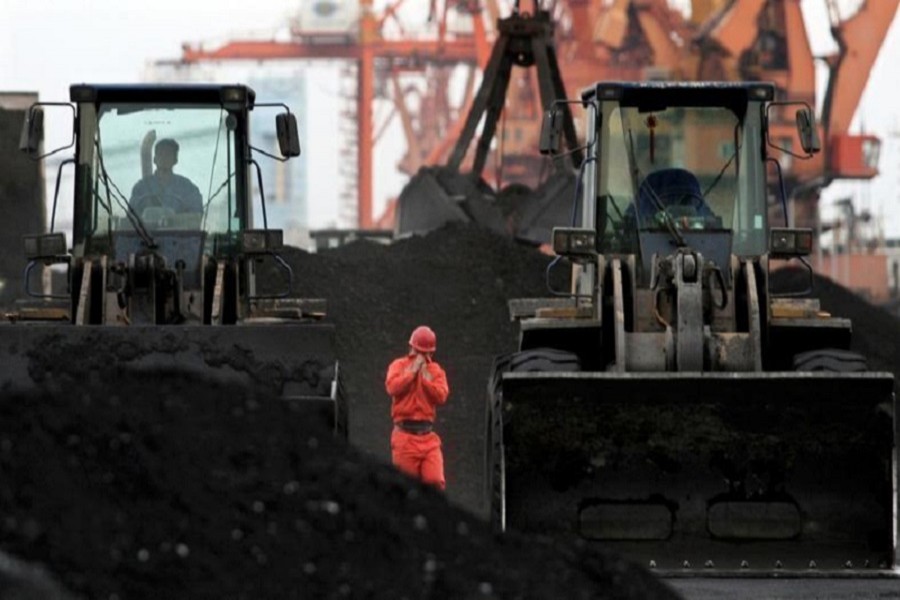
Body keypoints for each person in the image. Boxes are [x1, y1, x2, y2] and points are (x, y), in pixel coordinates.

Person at [384, 325, 450, 490]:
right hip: (405, 436)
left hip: (427, 436)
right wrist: (412, 372)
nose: (422, 357)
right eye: (419, 352)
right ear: (411, 348)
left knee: (435, 481)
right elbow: (392, 387)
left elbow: (441, 396)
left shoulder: (436, 371)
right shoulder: (398, 365)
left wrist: (427, 380)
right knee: (406, 489)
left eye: (426, 353)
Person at [130, 136, 203, 219]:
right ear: (154, 159)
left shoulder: (188, 189)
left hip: (179, 232)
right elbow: (131, 218)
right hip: (145, 232)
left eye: (168, 154)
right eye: (161, 154)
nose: (164, 158)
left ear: (175, 160)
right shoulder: (140, 188)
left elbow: (196, 216)